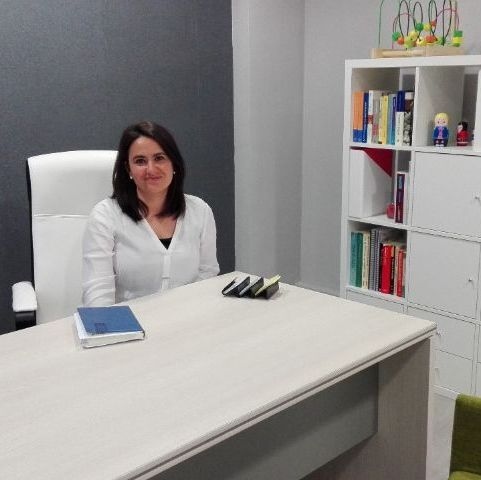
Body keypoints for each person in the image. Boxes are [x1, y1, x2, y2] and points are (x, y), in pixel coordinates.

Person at [82, 121, 220, 306]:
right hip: (127, 321)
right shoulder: (105, 216)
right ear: (128, 169)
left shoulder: (200, 211)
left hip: (187, 317)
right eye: (140, 161)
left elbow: (207, 275)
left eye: (159, 158)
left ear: (174, 163)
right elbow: (98, 294)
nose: (151, 169)